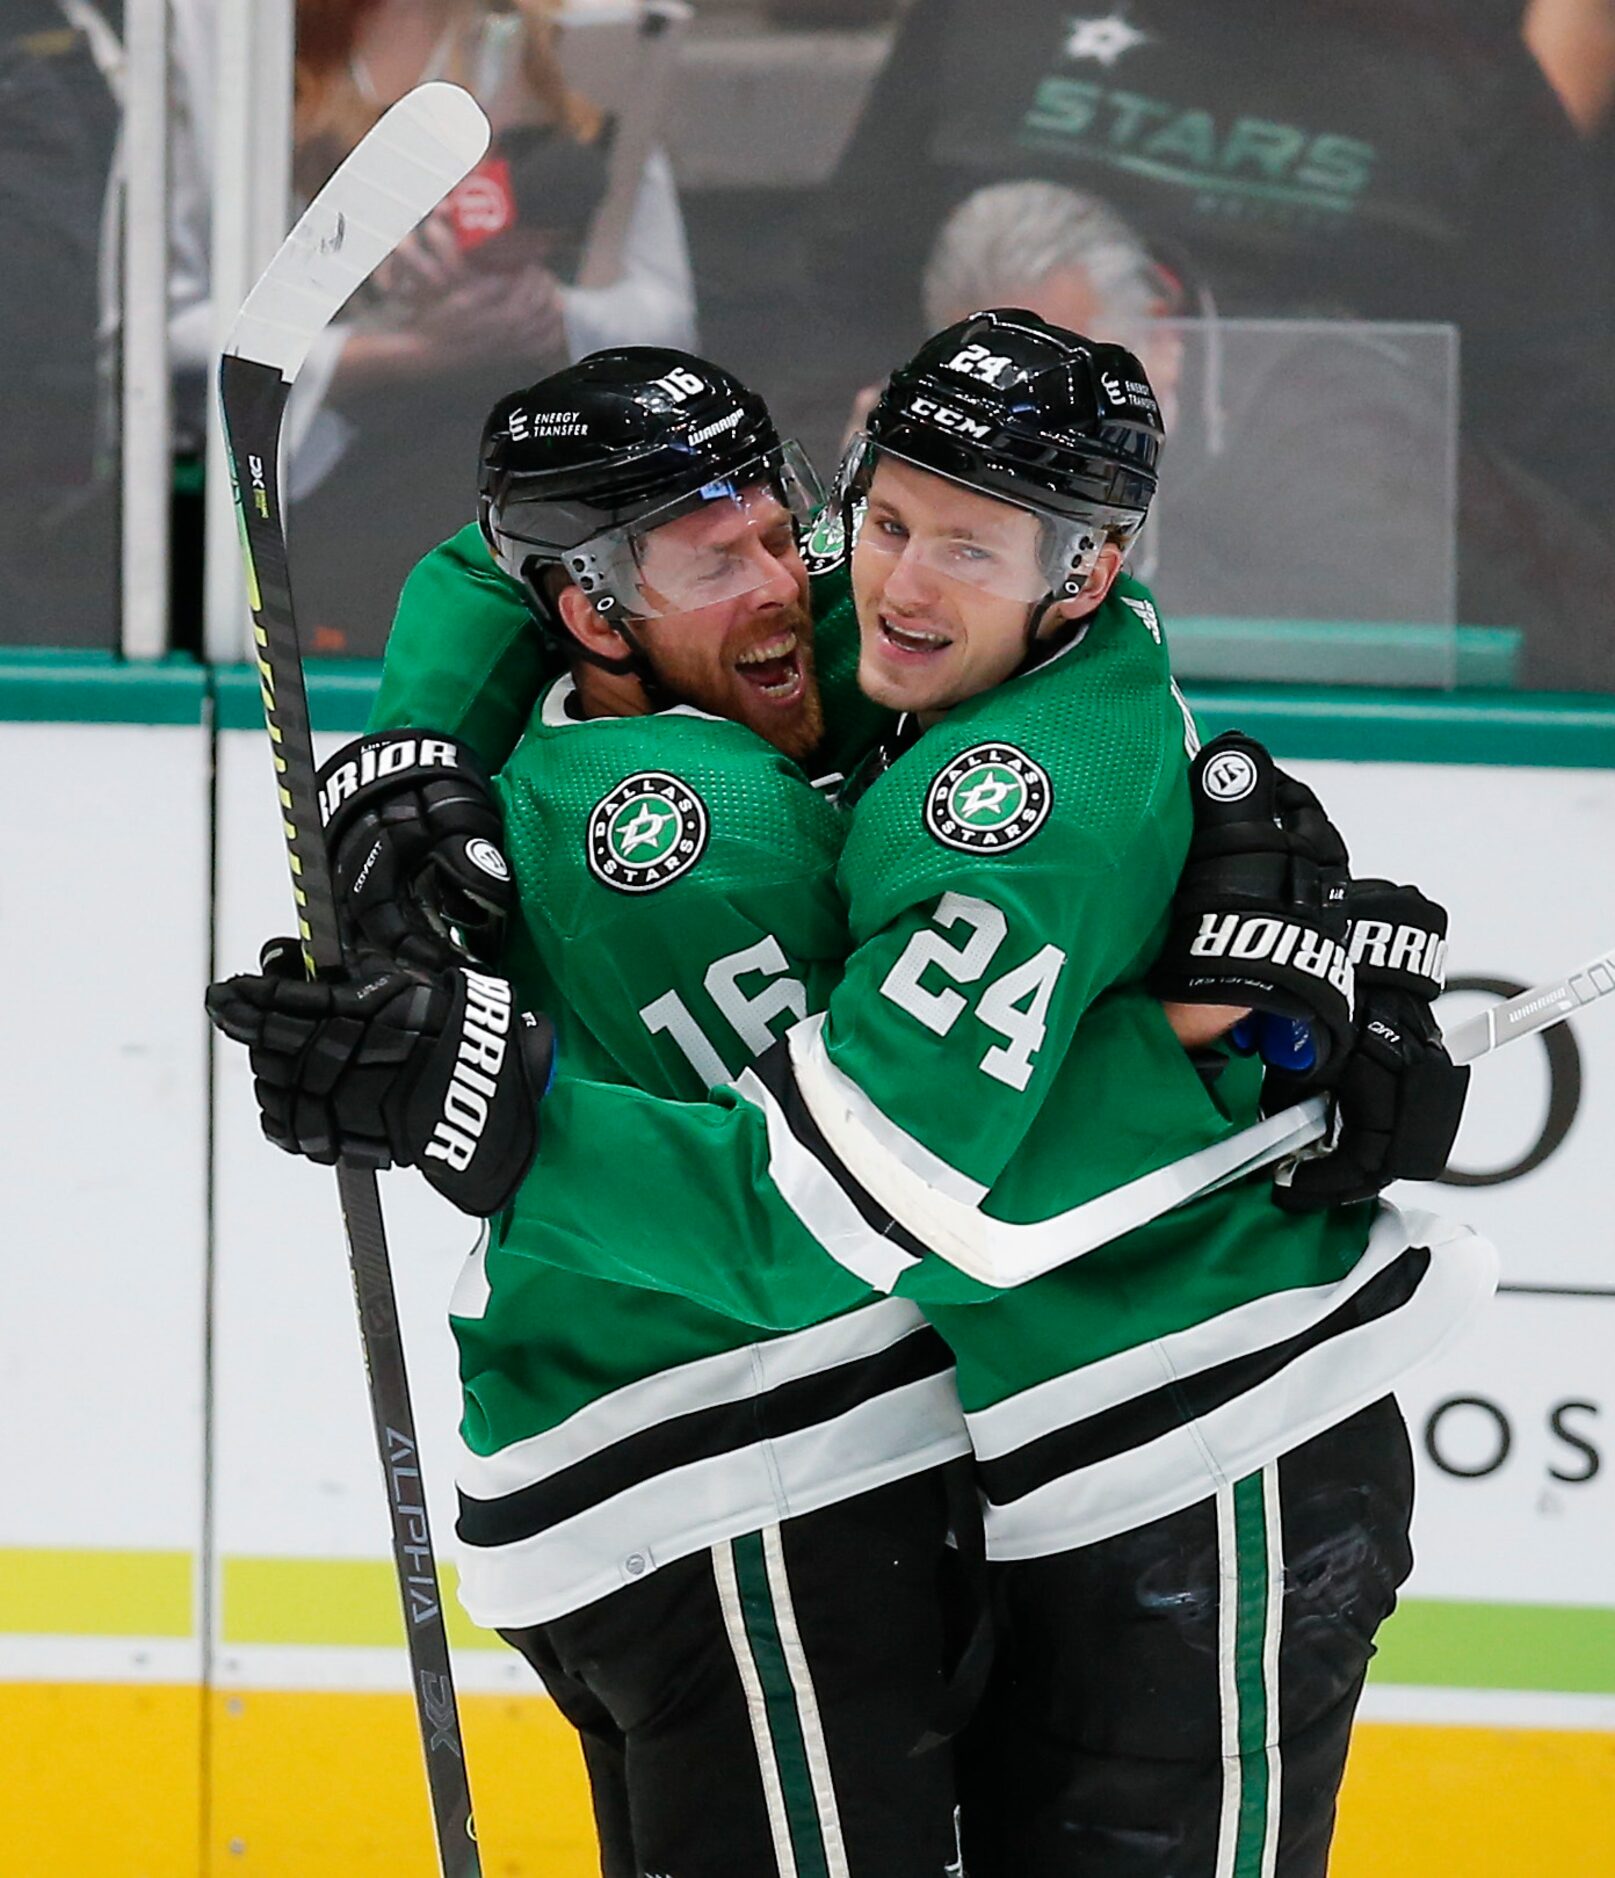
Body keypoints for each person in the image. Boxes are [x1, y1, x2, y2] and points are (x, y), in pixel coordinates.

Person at [212, 312, 1489, 1875]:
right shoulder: (868, 626)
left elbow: (854, 1203)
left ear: (1081, 571)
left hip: (1203, 1417)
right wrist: (410, 735)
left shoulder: (1010, 794)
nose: (881, 581)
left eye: (963, 546)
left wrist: (1239, 1047)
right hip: (932, 1451)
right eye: (878, 519)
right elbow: (505, 545)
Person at [247, 349, 977, 1878]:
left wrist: (416, 726)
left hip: (629, 1471)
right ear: (587, 615)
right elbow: (879, 1176)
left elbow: (490, 563)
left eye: (780, 530)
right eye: (718, 563)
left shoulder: (557, 747)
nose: (787, 581)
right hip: (754, 1466)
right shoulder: (703, 827)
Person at [812, 0, 1615, 684]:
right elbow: (841, 298)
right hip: (957, 590)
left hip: (1325, 625)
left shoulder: (1460, 61)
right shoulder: (986, 19)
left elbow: (1561, 418)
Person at [168, 0, 697, 650]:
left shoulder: (576, 33)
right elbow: (154, 338)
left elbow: (666, 328)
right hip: (315, 512)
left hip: (545, 496)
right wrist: (396, 350)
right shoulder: (232, 31)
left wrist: (543, 312)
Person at [912, 178, 1457, 638]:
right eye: (991, 383)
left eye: (1060, 383)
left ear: (1159, 337)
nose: (1024, 417)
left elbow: (1359, 633)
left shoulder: (1332, 412)